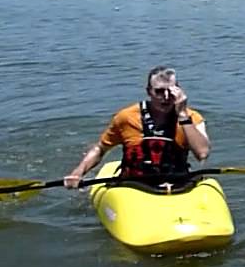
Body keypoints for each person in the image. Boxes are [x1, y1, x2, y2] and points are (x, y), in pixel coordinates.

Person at [63, 66, 211, 188]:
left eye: (171, 90)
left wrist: (183, 115)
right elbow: (100, 148)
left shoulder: (192, 118)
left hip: (177, 183)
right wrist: (78, 172)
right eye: (159, 91)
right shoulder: (126, 117)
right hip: (133, 185)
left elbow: (202, 154)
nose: (166, 97)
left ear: (179, 90)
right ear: (149, 92)